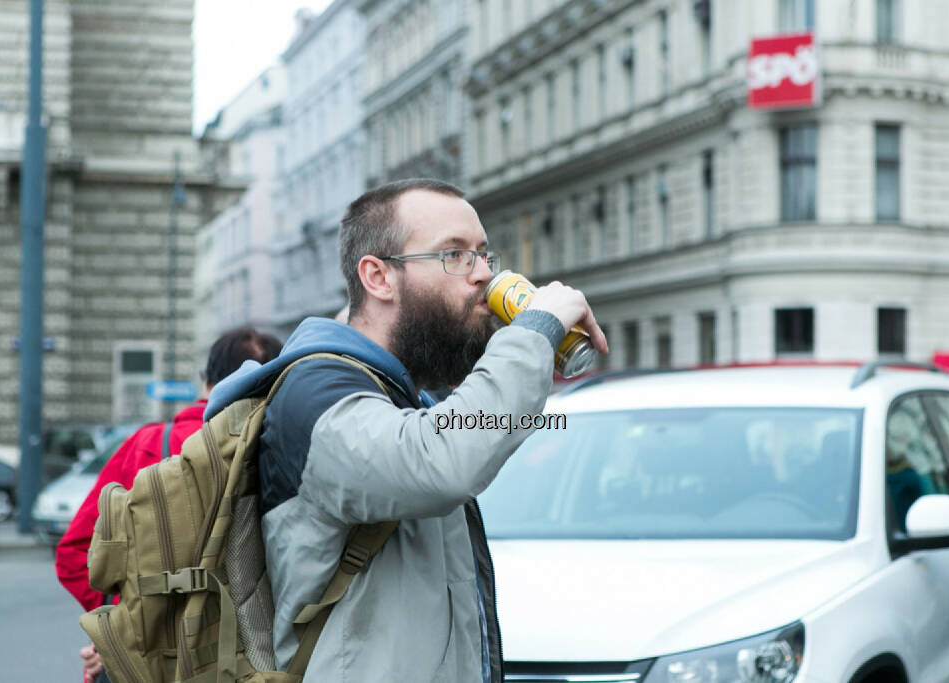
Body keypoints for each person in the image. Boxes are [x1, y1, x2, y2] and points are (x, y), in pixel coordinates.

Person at [203, 178, 608, 681]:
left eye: (483, 255)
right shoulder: (314, 390)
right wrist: (535, 332)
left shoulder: (397, 392)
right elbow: (442, 463)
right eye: (455, 255)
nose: (483, 274)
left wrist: (526, 361)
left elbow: (480, 428)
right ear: (378, 277)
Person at [56, 327, 283, 683]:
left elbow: (74, 553)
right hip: (248, 661)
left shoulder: (148, 444)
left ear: (207, 382)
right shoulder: (280, 451)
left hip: (146, 660)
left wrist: (120, 629)